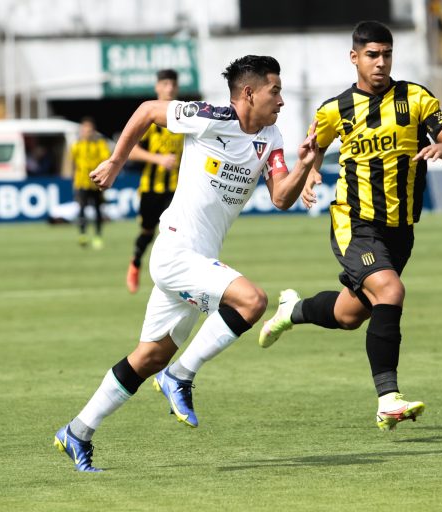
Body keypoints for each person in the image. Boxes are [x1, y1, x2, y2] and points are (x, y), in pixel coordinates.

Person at [54, 55, 319, 472]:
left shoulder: (272, 136)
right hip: (177, 253)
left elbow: (282, 197)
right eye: (275, 91)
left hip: (198, 261)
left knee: (148, 357)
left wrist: (305, 163)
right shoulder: (209, 116)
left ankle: (77, 431)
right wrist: (117, 160)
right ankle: (180, 376)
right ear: (249, 93)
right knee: (252, 301)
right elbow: (146, 111)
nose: (282, 100)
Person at [258, 21, 442, 432]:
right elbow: (313, 147)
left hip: (400, 230)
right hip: (355, 222)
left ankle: (291, 311)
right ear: (355, 57)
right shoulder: (335, 109)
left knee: (351, 314)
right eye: (372, 55)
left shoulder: (417, 98)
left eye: (387, 54)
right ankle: (388, 399)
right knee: (390, 290)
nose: (381, 62)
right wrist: (312, 173)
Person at [125, 69, 183, 293]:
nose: (169, 88)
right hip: (151, 187)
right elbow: (130, 150)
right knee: (148, 231)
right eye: (165, 84)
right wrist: (157, 158)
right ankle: (135, 263)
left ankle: (171, 279)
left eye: (173, 84)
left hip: (178, 188)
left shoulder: (184, 116)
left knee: (175, 232)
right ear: (158, 87)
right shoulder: (149, 117)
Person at [71, 117, 111, 248]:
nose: (87, 132)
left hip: (96, 183)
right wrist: (73, 179)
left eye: (89, 130)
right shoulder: (76, 145)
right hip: (81, 182)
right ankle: (83, 234)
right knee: (81, 209)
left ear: (93, 131)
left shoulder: (100, 144)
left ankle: (98, 236)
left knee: (98, 210)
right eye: (85, 130)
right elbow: (73, 163)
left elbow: (106, 159)